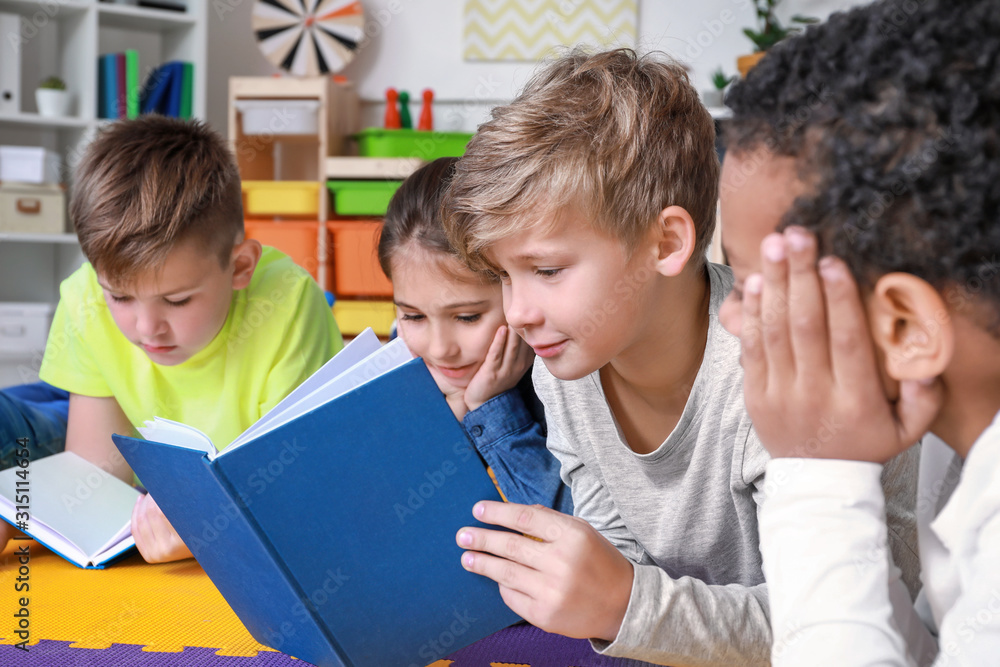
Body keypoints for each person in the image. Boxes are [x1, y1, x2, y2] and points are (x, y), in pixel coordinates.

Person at [442, 48, 920, 664]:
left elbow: (844, 625)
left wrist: (622, 602)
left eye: (547, 269)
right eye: (503, 276)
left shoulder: (786, 378)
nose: (516, 313)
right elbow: (624, 573)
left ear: (666, 242)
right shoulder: (569, 360)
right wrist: (609, 594)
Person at [718, 0, 1000, 663]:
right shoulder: (957, 450)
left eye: (756, 285)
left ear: (903, 324)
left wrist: (815, 475)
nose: (733, 316)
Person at [0, 115, 343, 562]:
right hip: (121, 424)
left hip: (214, 459)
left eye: (177, 300)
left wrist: (210, 530)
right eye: (120, 296)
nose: (146, 328)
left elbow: (302, 492)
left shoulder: (288, 303)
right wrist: (23, 510)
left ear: (240, 268)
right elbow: (97, 474)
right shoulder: (85, 294)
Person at [377, 157, 571, 513]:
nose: (440, 349)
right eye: (413, 315)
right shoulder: (400, 361)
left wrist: (490, 407)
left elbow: (568, 522)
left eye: (467, 317)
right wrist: (448, 417)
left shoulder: (568, 375)